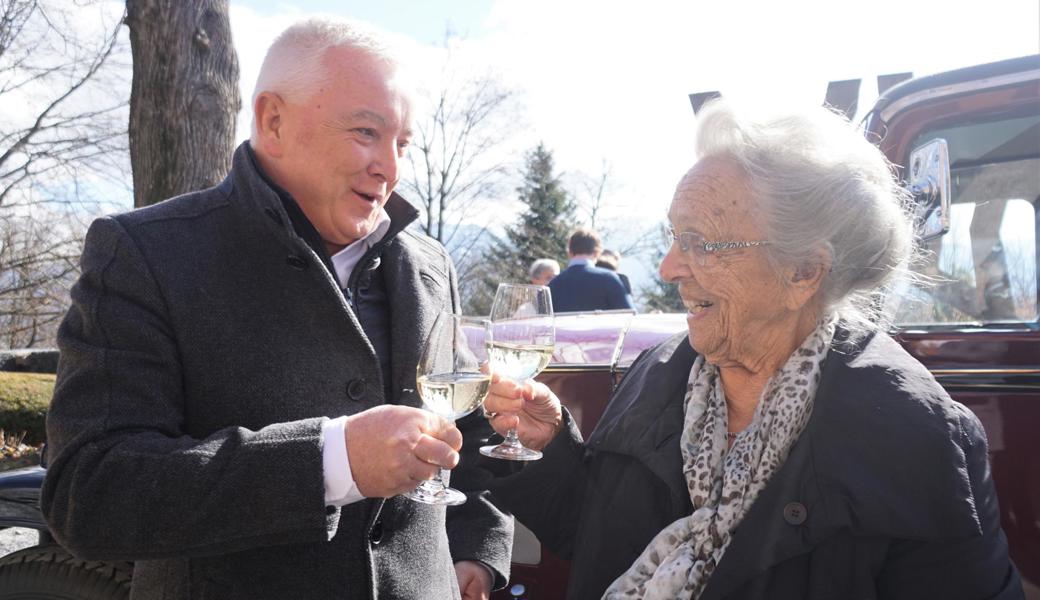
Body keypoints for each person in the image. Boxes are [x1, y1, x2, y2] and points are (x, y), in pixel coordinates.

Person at [41, 18, 511, 600]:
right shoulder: (145, 252)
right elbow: (91, 494)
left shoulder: (428, 262)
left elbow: (450, 428)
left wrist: (478, 541)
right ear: (273, 120)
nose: (390, 167)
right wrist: (328, 461)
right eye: (366, 132)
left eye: (402, 143)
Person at [483, 101, 1022, 599]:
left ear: (804, 271)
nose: (670, 267)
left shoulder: (919, 440)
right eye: (674, 236)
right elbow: (604, 544)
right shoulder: (658, 375)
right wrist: (550, 451)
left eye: (701, 242)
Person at [549, 227, 634, 312]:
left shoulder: (553, 284)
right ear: (597, 252)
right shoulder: (609, 279)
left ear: (569, 252)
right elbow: (629, 316)